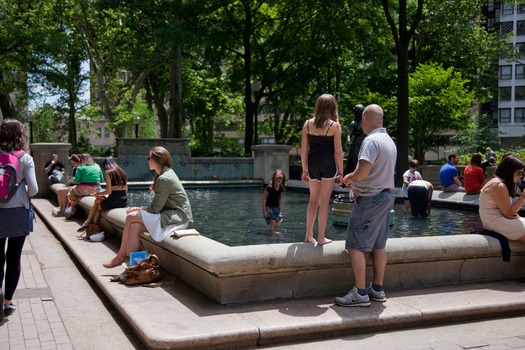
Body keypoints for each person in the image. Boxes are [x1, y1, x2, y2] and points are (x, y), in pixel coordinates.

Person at [336, 104, 396, 307]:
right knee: (379, 245)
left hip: (369, 199)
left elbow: (361, 173)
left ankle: (360, 293)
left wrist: (348, 178)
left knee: (355, 246)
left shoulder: (370, 141)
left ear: (365, 120)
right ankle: (377, 289)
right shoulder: (389, 141)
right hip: (386, 197)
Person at [103, 146, 193, 268]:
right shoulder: (164, 174)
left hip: (177, 218)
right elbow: (157, 207)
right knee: (134, 226)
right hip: (171, 215)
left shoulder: (164, 178)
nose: (148, 160)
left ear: (155, 160)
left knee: (130, 217)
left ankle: (120, 256)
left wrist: (140, 209)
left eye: (148, 158)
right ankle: (135, 266)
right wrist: (140, 209)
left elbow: (155, 209)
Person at [0, 119, 38, 320]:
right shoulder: (25, 158)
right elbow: (34, 189)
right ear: (21, 134)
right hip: (17, 213)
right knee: (13, 257)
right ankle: (8, 303)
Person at [300, 94, 344, 245]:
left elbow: (304, 150)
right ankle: (321, 237)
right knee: (324, 202)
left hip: (312, 163)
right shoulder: (334, 126)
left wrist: (304, 169)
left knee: (313, 200)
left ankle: (308, 235)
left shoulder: (307, 124)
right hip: (328, 163)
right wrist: (341, 173)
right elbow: (338, 152)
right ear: (333, 107)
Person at [479, 154, 525, 241]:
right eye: (519, 173)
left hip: (494, 222)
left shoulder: (496, 181)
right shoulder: (499, 185)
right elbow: (509, 213)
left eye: (522, 173)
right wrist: (523, 196)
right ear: (509, 171)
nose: (520, 177)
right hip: (495, 223)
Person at [77, 157, 128, 233]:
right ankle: (89, 224)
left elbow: (108, 191)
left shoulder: (108, 172)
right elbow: (126, 190)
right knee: (98, 201)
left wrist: (97, 193)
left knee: (98, 205)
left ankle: (92, 225)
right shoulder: (122, 172)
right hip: (124, 200)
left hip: (114, 200)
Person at [66, 153, 104, 219]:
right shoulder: (97, 166)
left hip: (83, 190)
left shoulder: (80, 167)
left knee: (70, 192)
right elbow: (101, 180)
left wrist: (71, 179)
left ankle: (73, 210)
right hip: (96, 189)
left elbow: (76, 181)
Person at [343, 104, 366, 176]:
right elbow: (349, 134)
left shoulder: (364, 122)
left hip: (364, 142)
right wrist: (348, 139)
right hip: (357, 143)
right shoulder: (353, 123)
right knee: (355, 160)